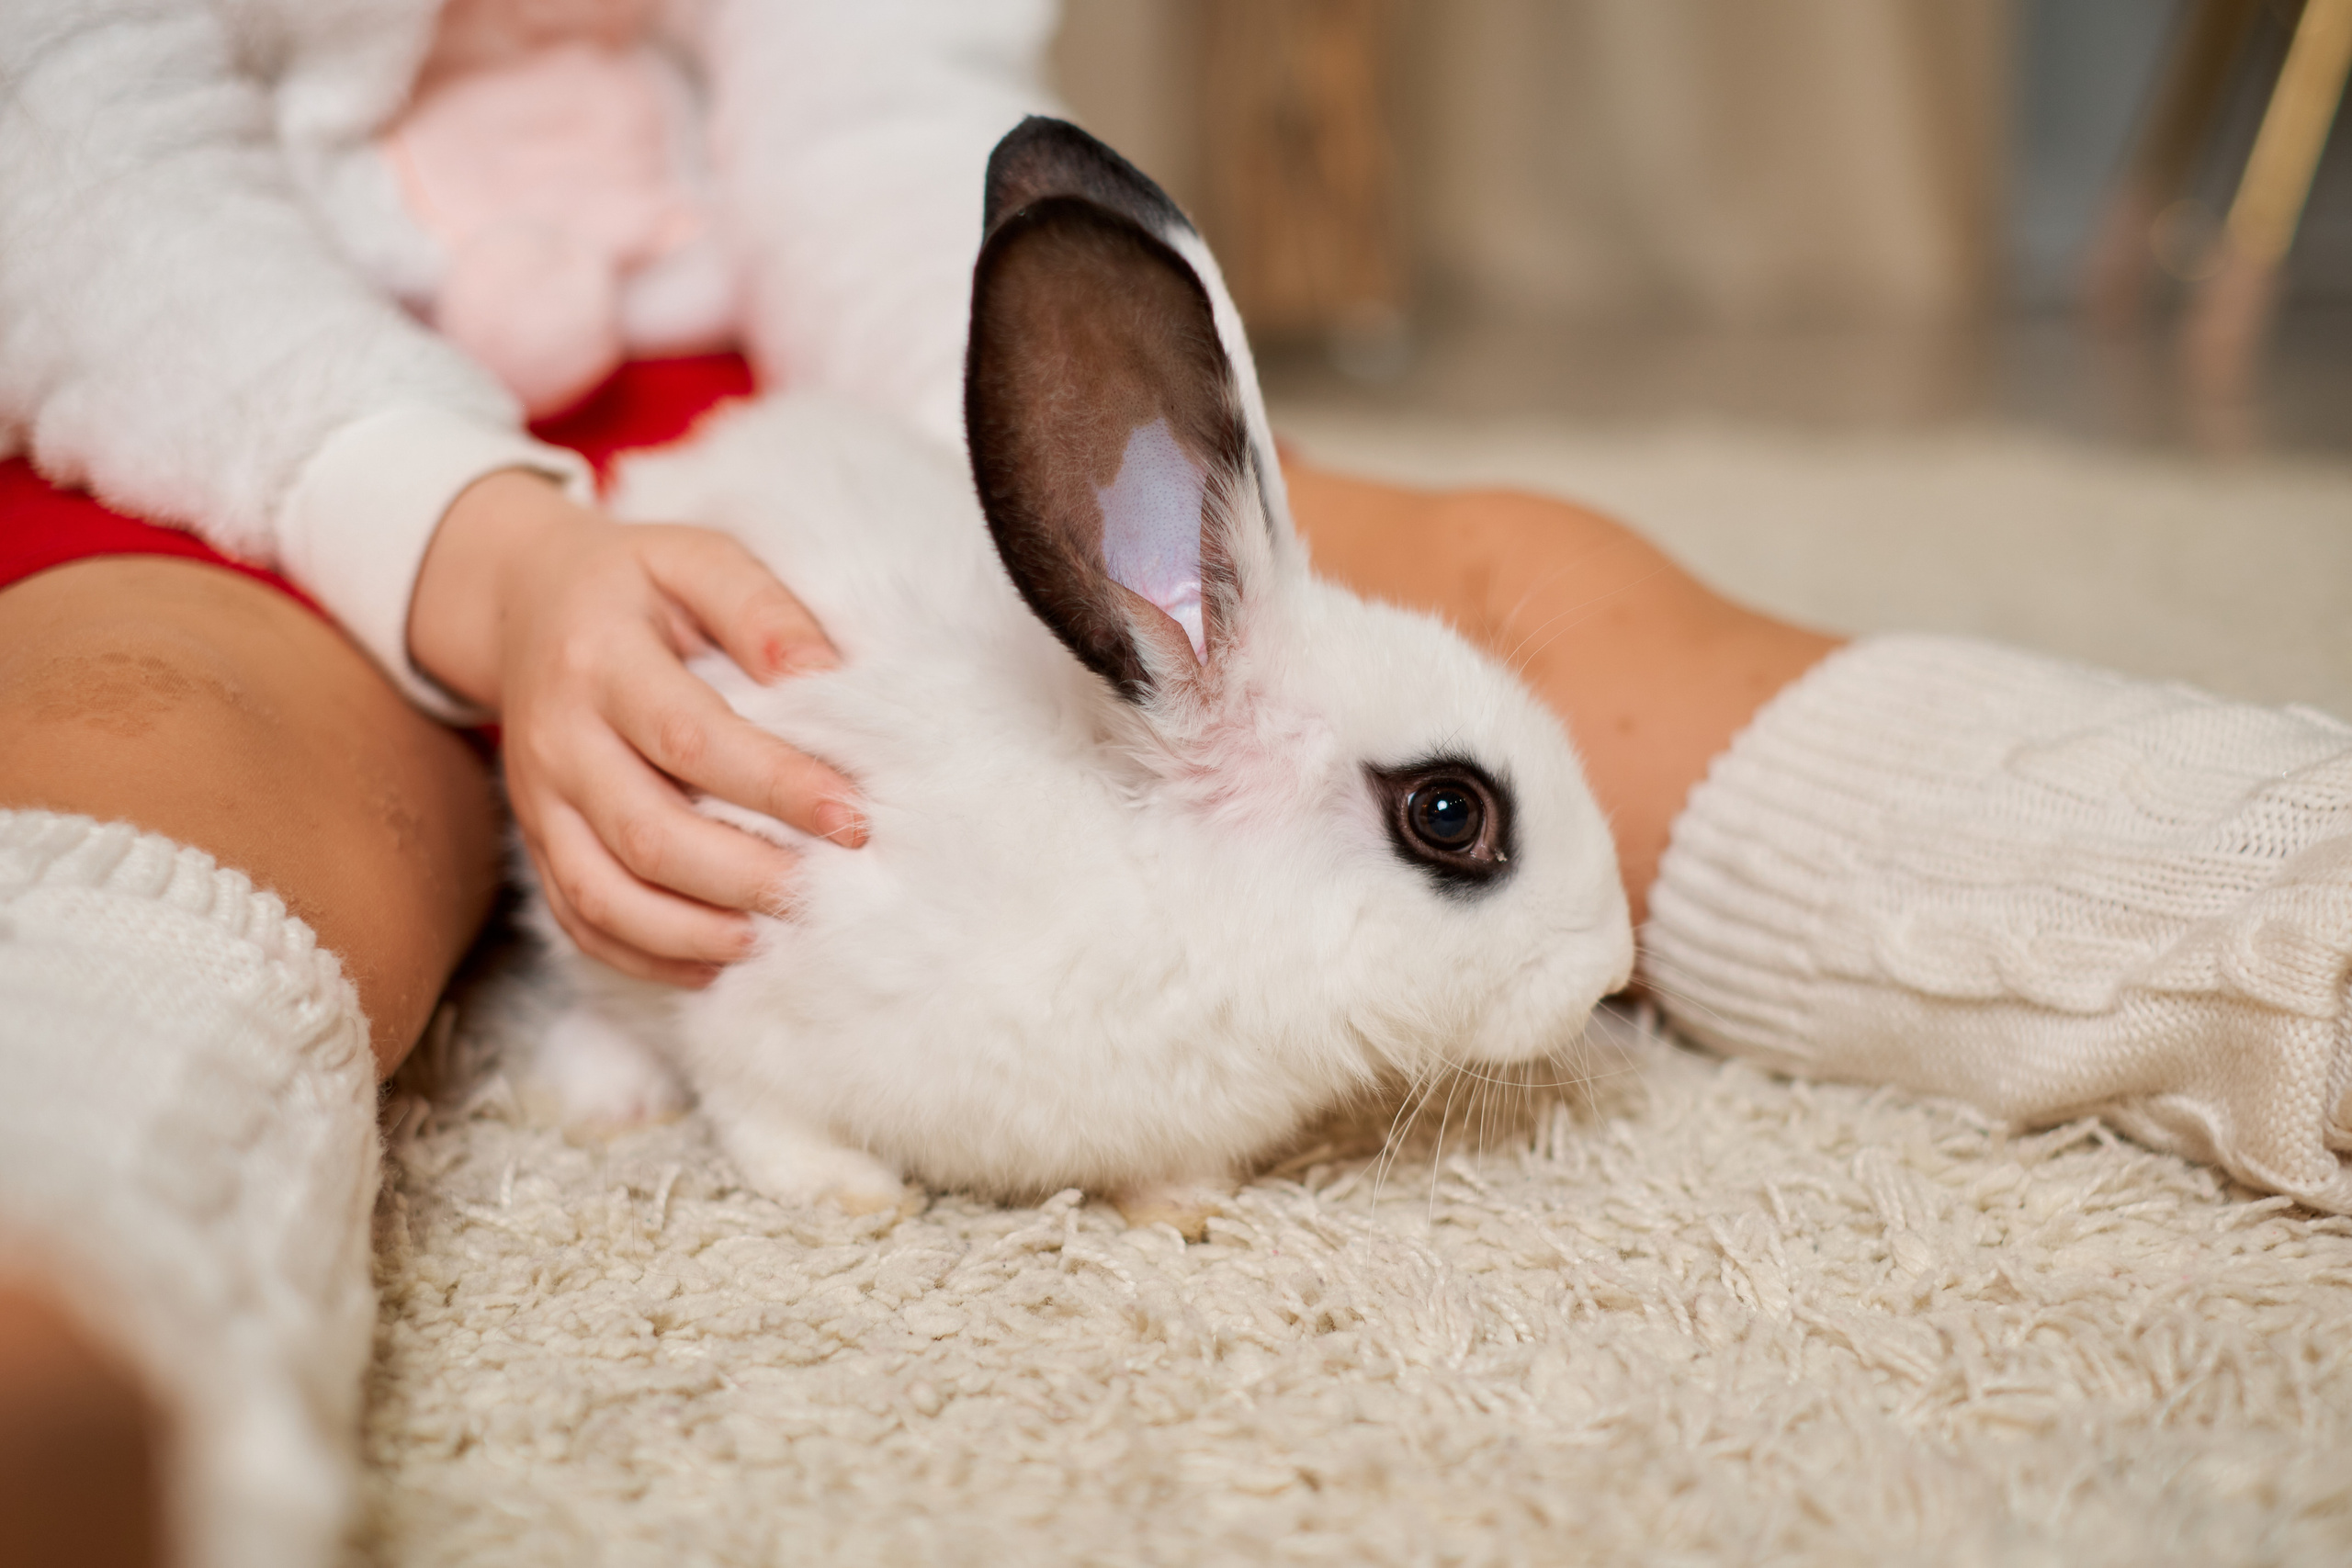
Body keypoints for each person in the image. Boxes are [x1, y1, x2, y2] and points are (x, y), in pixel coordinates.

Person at [2, 3, 2346, 1564]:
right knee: (182, 738)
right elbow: (84, 172)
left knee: (1504, 578)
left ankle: (2250, 913)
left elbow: (899, 135)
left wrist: (1085, 471)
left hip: (842, 413)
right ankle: (86, 1282)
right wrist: (472, 548)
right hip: (266, 441)